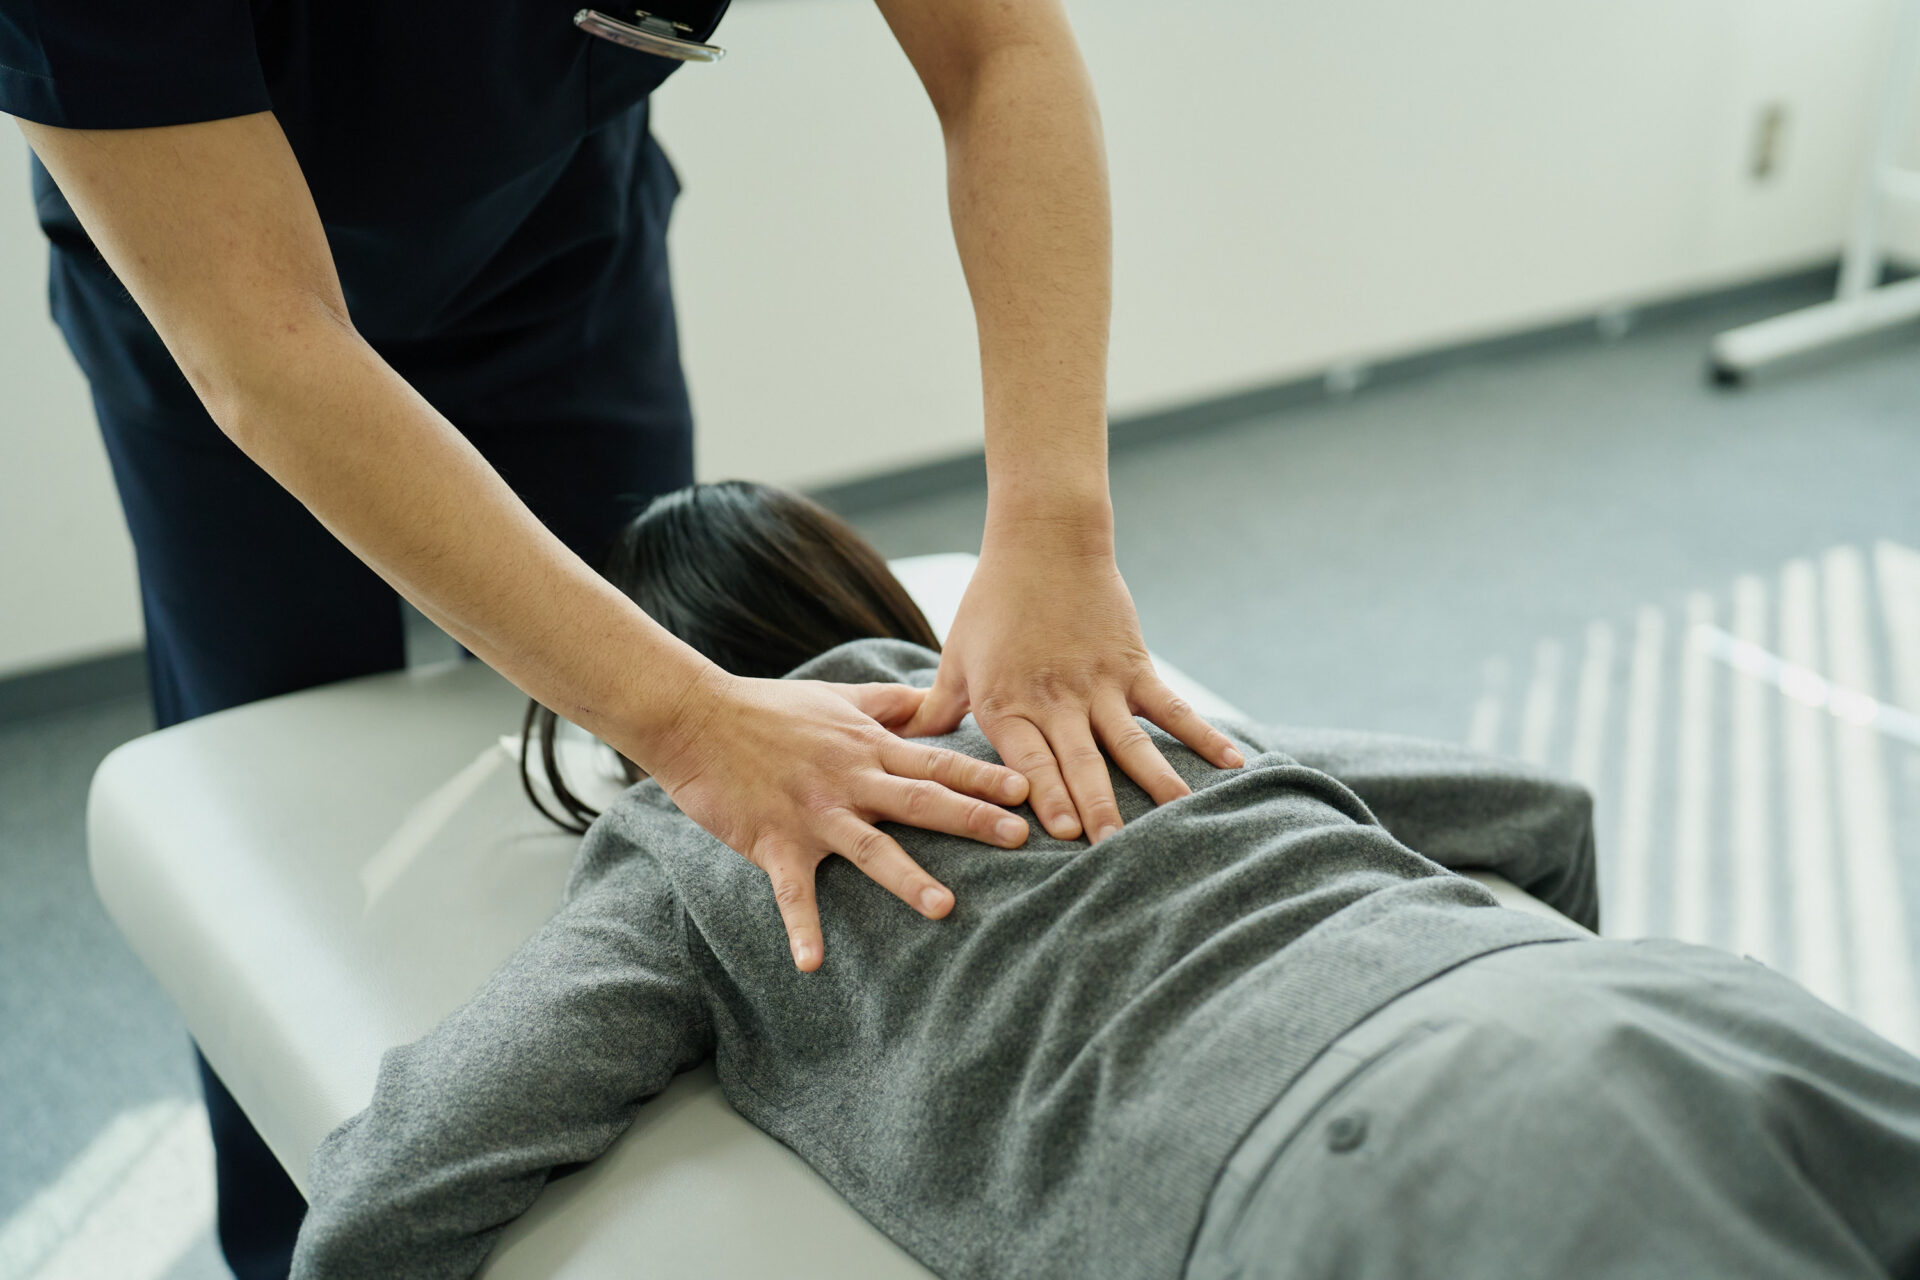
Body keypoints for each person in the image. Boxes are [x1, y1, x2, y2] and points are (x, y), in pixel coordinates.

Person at [3, 4, 1246, 1272]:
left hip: (556, 237)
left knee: (667, 792)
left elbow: (1000, 52)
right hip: (216, 288)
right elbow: (265, 349)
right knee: (270, 820)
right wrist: (693, 721)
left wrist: (1054, 526)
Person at [293, 483, 1920, 1280]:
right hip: (1656, 1018)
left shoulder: (691, 840)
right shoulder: (1078, 705)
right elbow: (1539, 814)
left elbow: (400, 1186)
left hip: (1364, 1175)